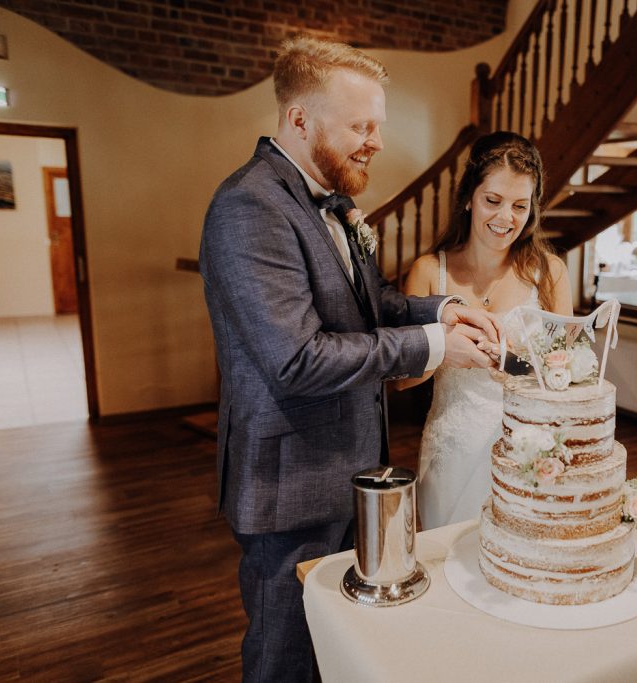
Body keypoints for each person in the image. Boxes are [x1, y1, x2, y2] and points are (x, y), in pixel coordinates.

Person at [199, 37, 499, 682]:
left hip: (354, 468)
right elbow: (297, 358)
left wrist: (438, 311)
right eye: (361, 126)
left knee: (343, 642)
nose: (376, 142)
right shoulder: (250, 205)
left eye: (377, 126)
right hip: (291, 482)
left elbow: (371, 305)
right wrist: (436, 348)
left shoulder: (329, 199)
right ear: (299, 119)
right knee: (286, 654)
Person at [398, 131, 573, 530]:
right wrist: (445, 347)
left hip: (529, 454)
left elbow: (568, 378)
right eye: (492, 201)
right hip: (452, 450)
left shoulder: (550, 274)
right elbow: (403, 382)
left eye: (519, 206)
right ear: (468, 198)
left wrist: (517, 367)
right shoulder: (429, 271)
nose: (505, 218)